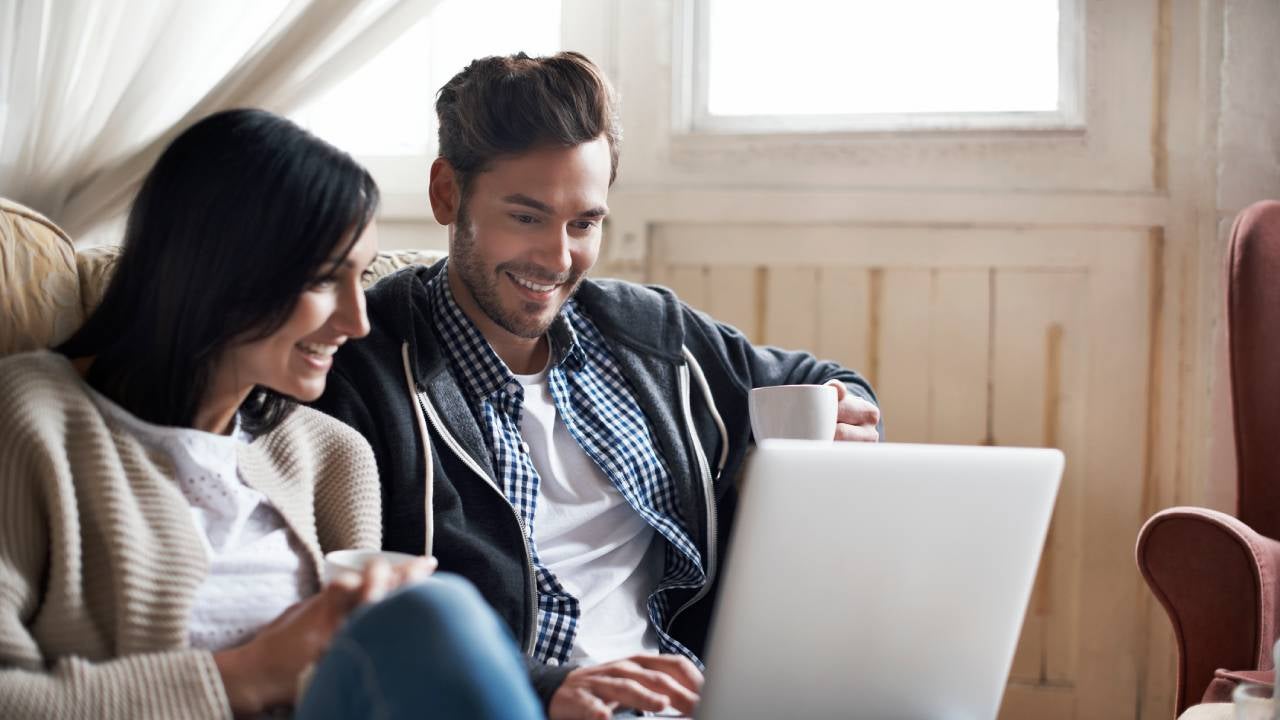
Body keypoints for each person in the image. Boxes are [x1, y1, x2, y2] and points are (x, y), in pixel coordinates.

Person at [311, 52, 881, 720]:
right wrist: (547, 689)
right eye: (526, 216)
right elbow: (374, 628)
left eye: (584, 223)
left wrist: (849, 409)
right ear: (447, 194)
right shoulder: (361, 365)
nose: (558, 259)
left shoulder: (649, 335)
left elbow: (819, 380)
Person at [0, 109, 543, 720]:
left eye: (359, 279)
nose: (356, 322)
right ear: (219, 271)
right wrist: (249, 675)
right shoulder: (30, 420)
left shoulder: (330, 455)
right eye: (323, 281)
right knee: (438, 611)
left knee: (430, 610)